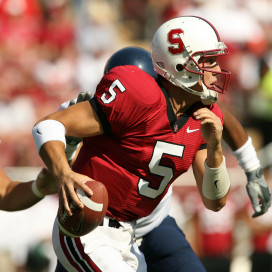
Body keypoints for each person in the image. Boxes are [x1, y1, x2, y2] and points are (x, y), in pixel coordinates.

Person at [33, 16, 232, 271]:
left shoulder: (207, 116)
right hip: (89, 228)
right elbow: (48, 126)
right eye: (209, 61)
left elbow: (215, 203)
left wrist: (215, 147)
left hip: (128, 237)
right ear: (181, 64)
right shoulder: (140, 94)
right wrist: (63, 173)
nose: (216, 70)